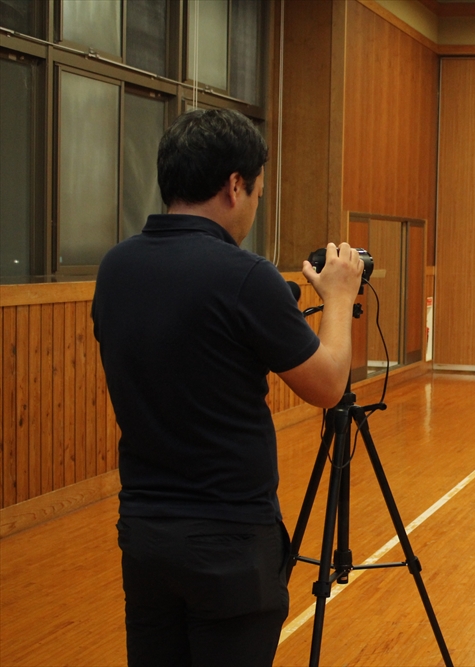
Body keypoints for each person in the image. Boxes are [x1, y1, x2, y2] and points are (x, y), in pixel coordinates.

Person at [92, 108, 363, 667]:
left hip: (143, 534)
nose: (254, 208)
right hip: (228, 540)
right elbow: (330, 385)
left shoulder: (116, 267)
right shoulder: (242, 274)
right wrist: (338, 297)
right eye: (259, 193)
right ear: (235, 186)